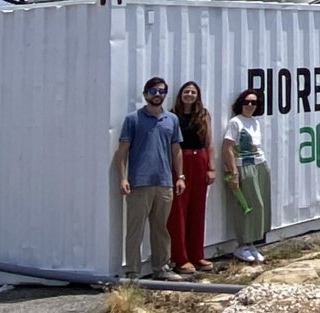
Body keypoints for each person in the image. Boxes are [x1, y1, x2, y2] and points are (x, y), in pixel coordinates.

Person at [111, 76, 185, 279]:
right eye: (153, 91)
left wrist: (180, 176)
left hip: (164, 183)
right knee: (135, 229)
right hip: (139, 182)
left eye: (161, 91)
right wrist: (123, 178)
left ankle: (161, 268)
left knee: (161, 229)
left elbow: (176, 150)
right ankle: (133, 272)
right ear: (145, 94)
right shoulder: (133, 119)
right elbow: (122, 151)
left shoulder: (172, 120)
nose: (157, 95)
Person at [167, 81, 215, 273]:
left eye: (193, 92)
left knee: (198, 208)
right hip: (181, 160)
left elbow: (209, 143)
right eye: (186, 91)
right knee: (178, 210)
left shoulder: (203, 115)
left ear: (198, 96)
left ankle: (197, 254)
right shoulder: (172, 115)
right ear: (180, 94)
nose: (189, 95)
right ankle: (180, 257)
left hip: (200, 159)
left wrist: (211, 167)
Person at [222, 88, 272, 264]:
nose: (250, 105)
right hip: (244, 166)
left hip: (259, 164)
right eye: (246, 102)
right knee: (247, 205)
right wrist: (233, 173)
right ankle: (242, 245)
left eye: (254, 102)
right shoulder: (235, 122)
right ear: (240, 103)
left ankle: (251, 243)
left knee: (260, 205)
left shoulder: (255, 122)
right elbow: (227, 148)